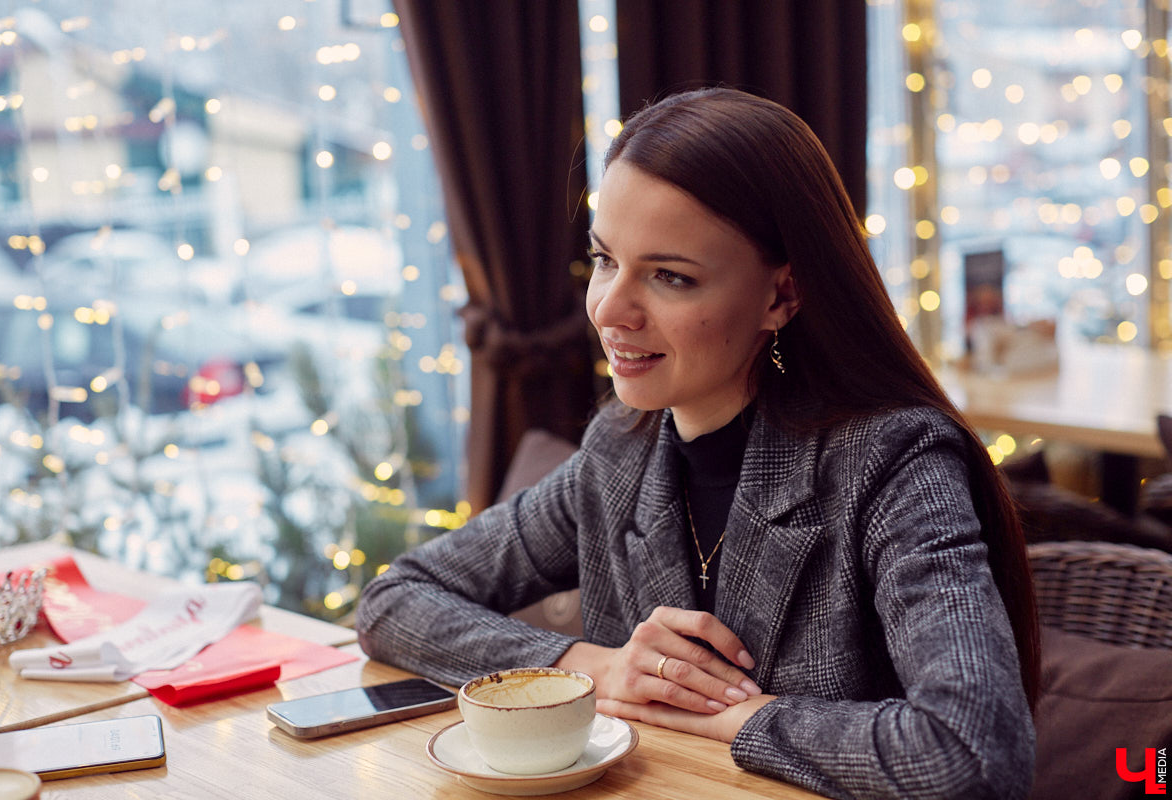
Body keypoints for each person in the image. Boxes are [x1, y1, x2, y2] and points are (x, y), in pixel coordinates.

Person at [356, 87, 1039, 799]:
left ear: (782, 296)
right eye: (605, 259)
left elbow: (973, 756)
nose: (610, 309)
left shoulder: (892, 461)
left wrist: (744, 717)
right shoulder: (619, 452)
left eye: (670, 277)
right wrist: (593, 666)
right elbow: (393, 600)